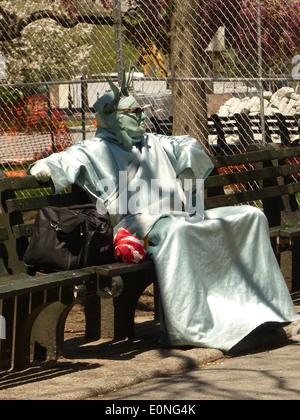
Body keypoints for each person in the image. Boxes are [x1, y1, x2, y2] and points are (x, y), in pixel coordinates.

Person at [29, 68, 297, 351]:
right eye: (134, 113)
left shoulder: (153, 141)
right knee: (177, 230)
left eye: (141, 110)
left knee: (251, 216)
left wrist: (190, 149)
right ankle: (191, 325)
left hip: (178, 219)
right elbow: (67, 158)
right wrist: (46, 166)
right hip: (135, 235)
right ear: (111, 118)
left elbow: (183, 145)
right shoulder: (96, 148)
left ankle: (267, 312)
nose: (143, 116)